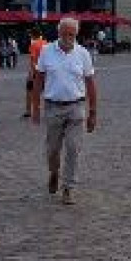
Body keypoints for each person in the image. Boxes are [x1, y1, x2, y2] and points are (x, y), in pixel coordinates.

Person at [27, 16, 99, 204]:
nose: (69, 37)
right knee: (52, 150)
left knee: (74, 148)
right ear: (58, 33)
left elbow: (90, 83)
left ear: (76, 34)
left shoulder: (83, 54)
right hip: (53, 107)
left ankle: (68, 187)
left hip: (76, 106)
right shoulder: (46, 51)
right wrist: (35, 107)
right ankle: (54, 172)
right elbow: (38, 80)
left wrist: (93, 113)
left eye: (72, 34)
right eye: (65, 33)